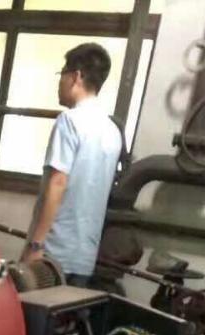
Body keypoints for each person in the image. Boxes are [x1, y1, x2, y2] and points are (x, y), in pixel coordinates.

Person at [22, 43, 122, 287]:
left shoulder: (69, 121)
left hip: (53, 254)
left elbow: (58, 182)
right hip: (84, 257)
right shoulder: (112, 130)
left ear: (76, 76)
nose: (60, 82)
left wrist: (35, 245)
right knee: (68, 311)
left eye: (62, 74)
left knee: (32, 310)